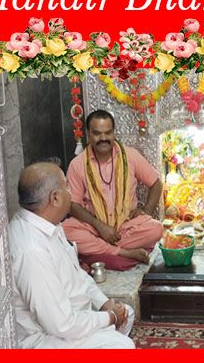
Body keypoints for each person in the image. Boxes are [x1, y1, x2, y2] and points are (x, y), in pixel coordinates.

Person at [9, 162, 135, 348]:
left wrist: (104, 304)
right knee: (123, 346)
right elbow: (61, 324)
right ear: (55, 198)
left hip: (73, 314)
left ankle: (103, 336)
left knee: (127, 313)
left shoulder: (49, 224)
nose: (71, 193)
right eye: (66, 186)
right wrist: (109, 317)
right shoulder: (31, 249)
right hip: (46, 338)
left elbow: (78, 276)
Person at [62, 110, 164, 271]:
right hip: (94, 227)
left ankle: (99, 250)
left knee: (156, 229)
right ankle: (123, 252)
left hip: (125, 226)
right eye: (97, 133)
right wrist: (100, 227)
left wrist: (147, 210)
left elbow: (156, 183)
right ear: (88, 134)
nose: (103, 138)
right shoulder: (77, 164)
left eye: (108, 133)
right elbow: (72, 205)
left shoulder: (130, 156)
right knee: (65, 231)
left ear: (113, 132)